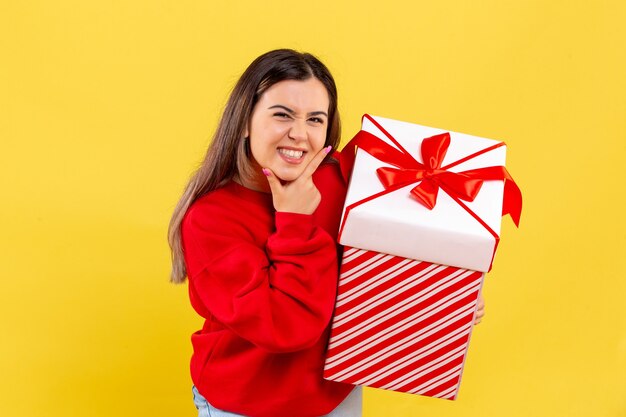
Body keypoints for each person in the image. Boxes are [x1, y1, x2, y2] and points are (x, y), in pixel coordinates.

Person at [168, 49, 485, 417]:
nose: (299, 134)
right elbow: (286, 327)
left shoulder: (345, 180)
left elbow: (384, 263)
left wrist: (445, 298)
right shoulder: (211, 220)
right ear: (245, 121)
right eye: (282, 115)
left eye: (315, 119)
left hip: (334, 393)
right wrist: (295, 221)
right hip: (247, 403)